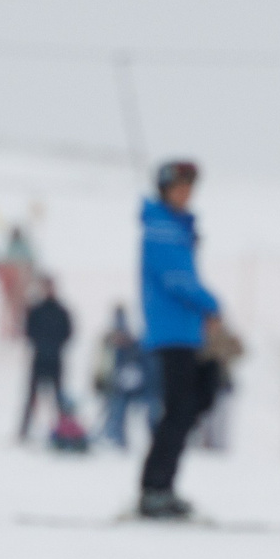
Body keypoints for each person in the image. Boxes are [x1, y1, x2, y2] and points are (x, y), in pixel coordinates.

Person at [138, 159, 225, 519]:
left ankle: (162, 486)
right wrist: (212, 306)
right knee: (180, 410)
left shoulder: (175, 226)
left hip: (186, 332)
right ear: (165, 190)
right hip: (172, 333)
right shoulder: (161, 228)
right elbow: (177, 279)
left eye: (190, 188)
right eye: (180, 188)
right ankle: (155, 489)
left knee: (194, 403)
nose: (186, 195)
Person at [18, 274, 74, 441]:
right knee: (31, 397)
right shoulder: (35, 310)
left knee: (59, 398)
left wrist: (55, 346)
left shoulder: (61, 311)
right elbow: (28, 332)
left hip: (56, 359)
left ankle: (64, 431)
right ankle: (24, 431)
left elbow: (68, 332)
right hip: (39, 358)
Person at [91, 308, 147, 448]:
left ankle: (117, 439)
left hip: (123, 386)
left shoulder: (131, 343)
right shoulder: (108, 342)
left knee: (117, 412)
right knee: (112, 412)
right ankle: (112, 437)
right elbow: (102, 362)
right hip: (111, 383)